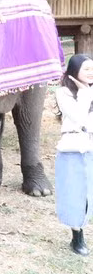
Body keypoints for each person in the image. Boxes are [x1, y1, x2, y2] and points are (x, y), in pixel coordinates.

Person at [55, 53, 93, 256]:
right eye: (86, 69)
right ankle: (77, 237)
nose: (91, 73)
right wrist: (85, 93)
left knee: (89, 195)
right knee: (75, 195)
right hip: (72, 148)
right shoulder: (63, 93)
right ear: (74, 71)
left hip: (91, 149)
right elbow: (77, 117)